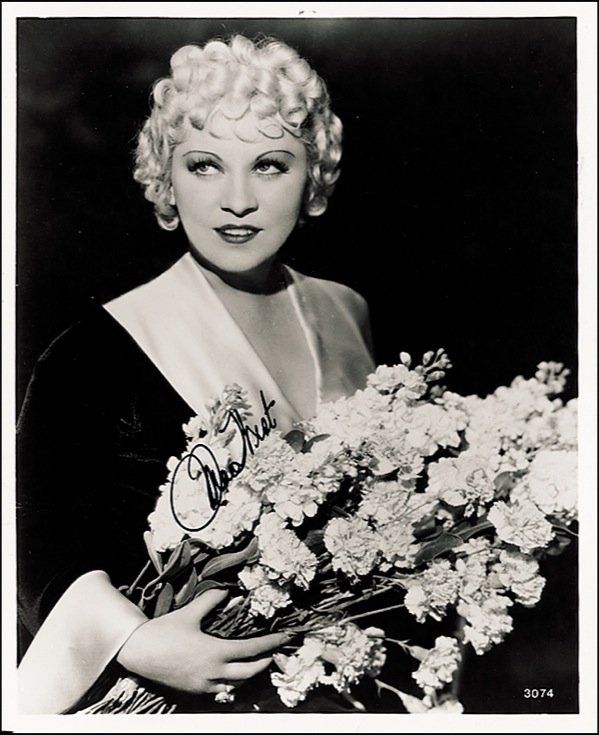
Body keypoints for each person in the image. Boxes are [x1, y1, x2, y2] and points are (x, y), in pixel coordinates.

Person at [16, 34, 375, 714]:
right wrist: (135, 641)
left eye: (269, 165)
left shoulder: (345, 311)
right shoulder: (91, 352)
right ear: (167, 180)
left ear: (312, 179)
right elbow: (31, 538)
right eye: (205, 165)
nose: (236, 200)